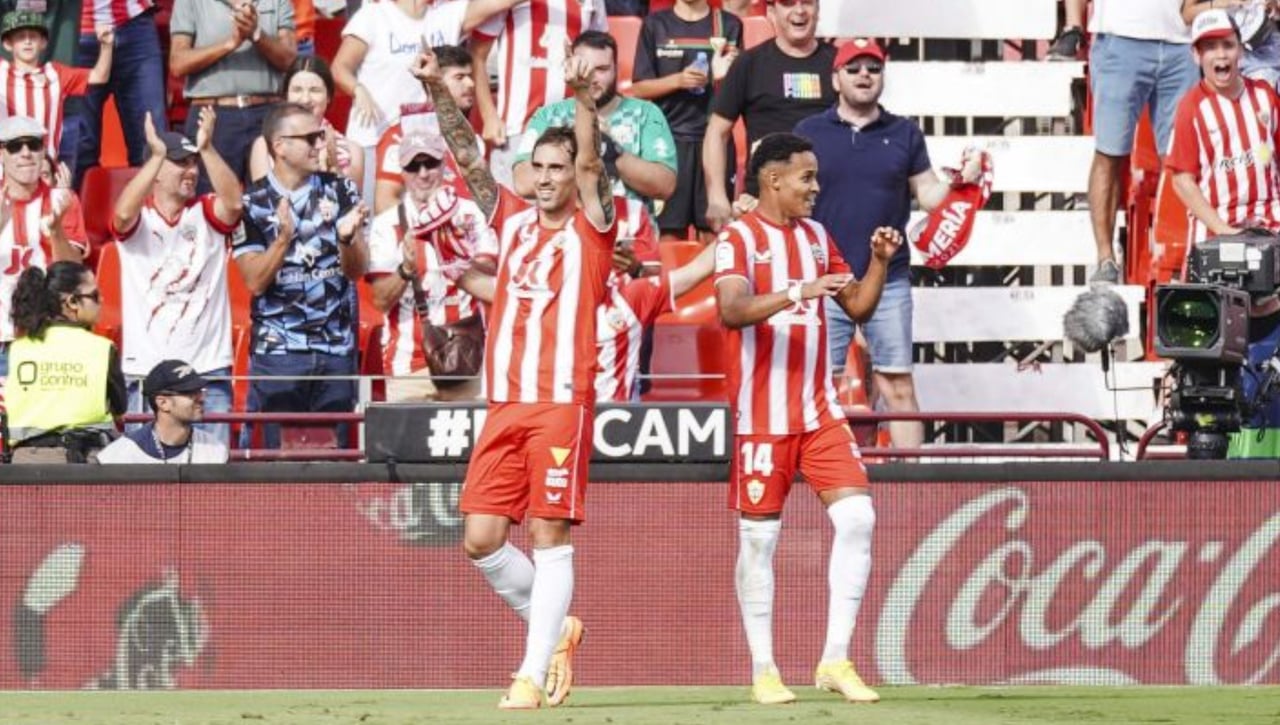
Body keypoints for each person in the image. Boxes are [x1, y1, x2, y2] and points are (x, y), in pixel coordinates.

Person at [713, 132, 896, 705]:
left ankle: (835, 659)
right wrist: (798, 291)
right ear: (773, 179)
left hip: (819, 411)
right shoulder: (738, 238)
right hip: (761, 418)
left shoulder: (817, 236)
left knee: (859, 519)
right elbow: (731, 310)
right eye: (806, 177)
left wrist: (879, 263)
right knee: (759, 542)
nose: (816, 188)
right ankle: (764, 668)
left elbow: (857, 304)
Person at [459, 52, 617, 710]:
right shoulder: (512, 223)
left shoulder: (593, 229)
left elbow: (592, 164)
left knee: (549, 534)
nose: (548, 178)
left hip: (559, 402)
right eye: (540, 167)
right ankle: (556, 631)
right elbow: (468, 159)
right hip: (504, 403)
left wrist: (581, 99)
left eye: (559, 168)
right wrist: (438, 88)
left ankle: (528, 674)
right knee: (480, 539)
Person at [796, 39, 981, 451]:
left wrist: (958, 183)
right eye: (854, 68)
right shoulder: (808, 133)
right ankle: (814, 476)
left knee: (897, 384)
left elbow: (928, 194)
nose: (864, 75)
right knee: (818, 387)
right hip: (825, 279)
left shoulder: (904, 132)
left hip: (888, 279)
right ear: (835, 79)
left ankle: (910, 482)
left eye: (873, 68)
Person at [234, 101, 369, 449]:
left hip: (335, 349)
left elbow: (357, 271)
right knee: (281, 463)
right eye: (310, 138)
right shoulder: (252, 203)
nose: (319, 145)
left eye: (320, 136)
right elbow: (254, 282)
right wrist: (283, 240)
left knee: (333, 461)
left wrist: (346, 239)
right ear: (279, 146)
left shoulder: (341, 190)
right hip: (280, 352)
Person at [109, 108, 242, 446]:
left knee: (212, 469)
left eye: (193, 162)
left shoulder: (206, 211)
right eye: (181, 162)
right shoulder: (140, 217)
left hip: (207, 367)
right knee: (145, 471)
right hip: (146, 369)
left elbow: (234, 204)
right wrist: (155, 156)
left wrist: (207, 149)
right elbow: (121, 215)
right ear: (155, 172)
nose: (191, 170)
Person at [366, 130, 495, 402]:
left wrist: (457, 254)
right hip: (408, 366)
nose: (423, 174)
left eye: (430, 163)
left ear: (444, 165)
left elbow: (492, 280)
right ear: (402, 172)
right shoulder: (386, 225)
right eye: (413, 166)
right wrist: (405, 269)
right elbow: (380, 301)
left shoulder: (470, 214)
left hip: (468, 358)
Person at [1086, 0, 1197, 283]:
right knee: (1110, 153)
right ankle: (1105, 258)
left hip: (1181, 41)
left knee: (1181, 159)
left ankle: (1184, 257)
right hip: (1122, 37)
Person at [702, 0, 835, 232]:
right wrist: (716, 197)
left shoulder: (839, 65)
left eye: (807, 2)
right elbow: (716, 132)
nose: (799, 11)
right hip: (764, 204)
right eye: (788, 3)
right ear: (772, 12)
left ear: (818, 9)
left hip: (828, 201)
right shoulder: (749, 63)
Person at [513, 31, 677, 216]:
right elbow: (522, 182)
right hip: (567, 229)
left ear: (616, 69)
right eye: (584, 68)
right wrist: (582, 150)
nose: (592, 78)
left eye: (602, 69)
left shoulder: (646, 114)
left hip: (629, 228)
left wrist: (611, 150)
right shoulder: (549, 116)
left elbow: (665, 186)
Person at [630, 0, 742, 239]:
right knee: (668, 235)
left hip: (714, 142)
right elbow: (639, 88)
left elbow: (739, 90)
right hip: (667, 144)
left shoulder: (729, 25)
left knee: (715, 233)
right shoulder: (655, 24)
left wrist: (721, 78)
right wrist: (678, 81)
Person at [470, 0, 609, 190]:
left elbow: (601, 54)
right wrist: (489, 116)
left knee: (570, 206)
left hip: (572, 130)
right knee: (513, 205)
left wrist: (596, 114)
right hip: (517, 127)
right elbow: (477, 55)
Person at [1168, 9, 1280, 242]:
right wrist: (1223, 230)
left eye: (1228, 45)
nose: (1221, 55)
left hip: (1271, 223)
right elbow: (1182, 180)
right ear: (1196, 55)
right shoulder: (1191, 108)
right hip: (1215, 228)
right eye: (1210, 47)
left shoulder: (1265, 95)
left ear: (1240, 50)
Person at [169, 0, 298, 190]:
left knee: (274, 199)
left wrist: (257, 35)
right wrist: (230, 44)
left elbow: (289, 60)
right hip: (212, 117)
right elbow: (178, 63)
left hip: (267, 115)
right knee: (211, 201)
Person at [6, 261, 125, 463]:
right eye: (95, 295)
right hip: (88, 461)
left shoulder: (17, 349)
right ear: (72, 302)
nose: (102, 300)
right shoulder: (102, 349)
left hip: (28, 462)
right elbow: (120, 410)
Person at [0, 115, 89, 377]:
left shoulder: (62, 199)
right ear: (2, 154)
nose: (26, 153)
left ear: (43, 151)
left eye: (34, 145)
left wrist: (56, 229)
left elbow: (72, 271)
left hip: (46, 339)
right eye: (15, 146)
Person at [372, 45, 480, 214]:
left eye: (470, 76)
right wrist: (430, 225)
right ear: (432, 82)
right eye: (459, 77)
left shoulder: (472, 138)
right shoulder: (400, 136)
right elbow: (385, 202)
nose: (470, 84)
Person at [70, 1, 168, 185]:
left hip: (134, 23)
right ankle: (79, 203)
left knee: (151, 140)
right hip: (76, 28)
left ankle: (151, 203)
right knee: (80, 145)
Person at [0, 10, 113, 161]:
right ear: (8, 44)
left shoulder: (56, 73)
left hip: (45, 167)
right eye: (20, 37)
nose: (27, 41)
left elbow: (100, 76)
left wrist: (107, 46)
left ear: (43, 43)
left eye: (33, 36)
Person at [247, 55, 364, 186]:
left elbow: (352, 196)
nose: (305, 99)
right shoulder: (265, 146)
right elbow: (265, 196)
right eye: (297, 90)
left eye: (315, 90)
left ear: (328, 97)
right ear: (286, 96)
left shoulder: (352, 151)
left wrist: (333, 165)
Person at [97, 359, 230, 463]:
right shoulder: (120, 456)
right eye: (190, 393)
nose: (201, 398)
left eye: (200, 392)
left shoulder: (216, 451)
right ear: (163, 403)